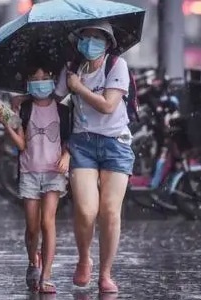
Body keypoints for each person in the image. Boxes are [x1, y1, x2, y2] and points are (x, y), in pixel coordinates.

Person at [54, 20, 135, 294]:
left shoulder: (116, 66)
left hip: (116, 144)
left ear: (108, 42)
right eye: (85, 37)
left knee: (110, 212)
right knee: (86, 211)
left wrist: (78, 88)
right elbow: (54, 101)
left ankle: (105, 273)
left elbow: (108, 105)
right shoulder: (72, 69)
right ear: (78, 42)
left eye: (97, 38)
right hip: (83, 144)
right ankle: (84, 258)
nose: (90, 43)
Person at [0, 62, 71, 294]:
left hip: (54, 174)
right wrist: (7, 125)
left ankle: (46, 276)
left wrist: (67, 156)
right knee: (32, 227)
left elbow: (70, 139)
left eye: (44, 78)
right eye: (35, 79)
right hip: (29, 173)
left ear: (52, 79)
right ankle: (32, 262)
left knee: (48, 222)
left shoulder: (63, 110)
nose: (41, 83)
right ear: (28, 83)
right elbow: (21, 144)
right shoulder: (23, 109)